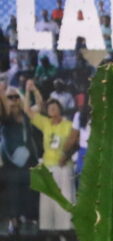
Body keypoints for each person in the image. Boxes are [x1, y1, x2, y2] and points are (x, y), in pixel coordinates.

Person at [26, 80, 74, 233]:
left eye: (55, 107)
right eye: (50, 107)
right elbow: (28, 110)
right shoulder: (45, 123)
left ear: (60, 109)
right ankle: (49, 230)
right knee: (48, 200)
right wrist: (31, 90)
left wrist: (67, 156)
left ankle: (65, 229)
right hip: (48, 166)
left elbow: (74, 143)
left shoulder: (68, 125)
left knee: (64, 197)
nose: (52, 109)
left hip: (63, 166)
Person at [0, 85, 40, 233]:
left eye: (16, 96)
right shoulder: (5, 116)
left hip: (29, 160)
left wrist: (33, 90)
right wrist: (1, 93)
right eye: (10, 97)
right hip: (10, 162)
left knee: (29, 190)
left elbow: (40, 106)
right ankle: (13, 222)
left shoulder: (26, 114)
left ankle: (29, 220)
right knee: (11, 192)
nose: (14, 100)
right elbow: (3, 109)